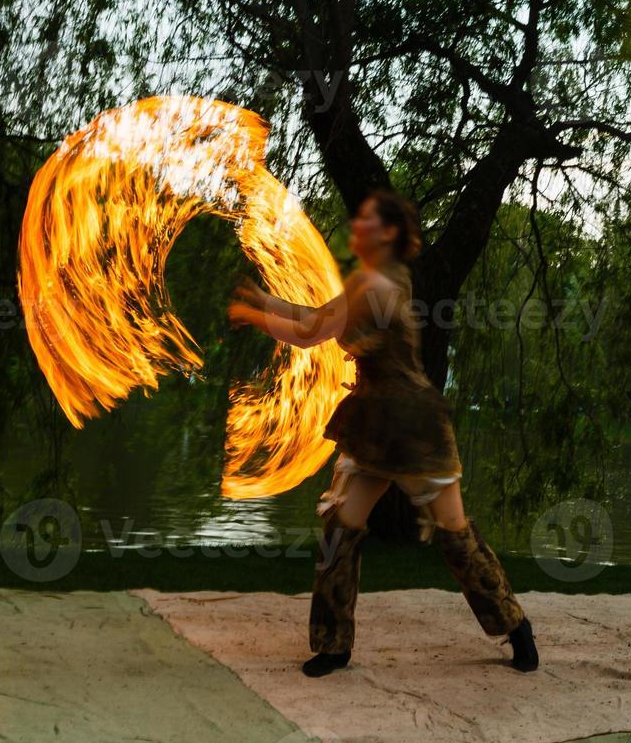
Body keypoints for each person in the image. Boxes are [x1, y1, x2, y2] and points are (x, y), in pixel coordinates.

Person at [228, 189, 539, 677]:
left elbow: (310, 330)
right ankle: (333, 646)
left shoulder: (374, 283)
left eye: (369, 219)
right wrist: (263, 299)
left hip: (414, 429)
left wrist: (251, 315)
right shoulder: (383, 278)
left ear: (389, 232)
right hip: (375, 427)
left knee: (455, 537)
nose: (358, 223)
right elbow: (316, 316)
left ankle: (515, 625)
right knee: (339, 532)